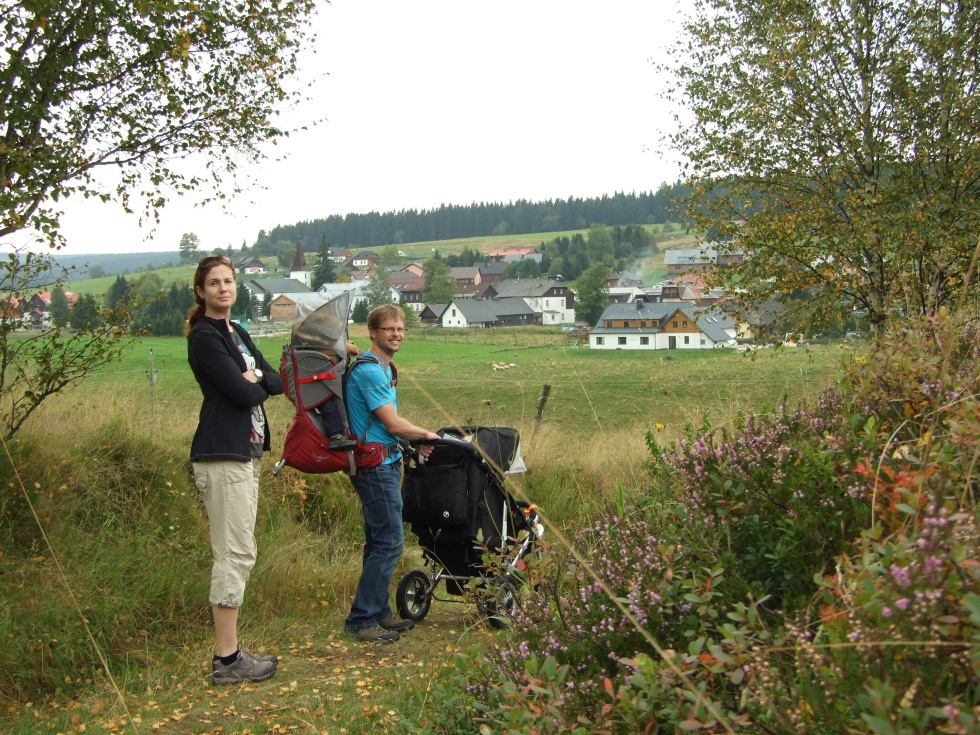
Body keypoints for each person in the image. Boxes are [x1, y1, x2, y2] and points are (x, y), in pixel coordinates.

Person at [186, 254, 285, 684]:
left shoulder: (237, 332)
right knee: (234, 552)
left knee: (240, 550)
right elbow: (243, 397)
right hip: (222, 453)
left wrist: (254, 375)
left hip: (247, 454)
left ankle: (230, 653)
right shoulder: (205, 337)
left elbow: (275, 383)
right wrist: (253, 382)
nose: (223, 288)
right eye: (214, 283)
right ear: (201, 291)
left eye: (228, 281)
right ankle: (226, 660)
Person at [343, 304, 440, 643]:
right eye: (389, 329)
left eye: (400, 329)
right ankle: (362, 619)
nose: (396, 334)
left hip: (384, 462)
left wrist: (412, 443)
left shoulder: (384, 368)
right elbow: (393, 423)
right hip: (375, 468)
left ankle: (379, 611)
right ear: (373, 332)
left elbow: (389, 429)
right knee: (390, 542)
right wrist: (429, 435)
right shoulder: (370, 370)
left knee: (377, 542)